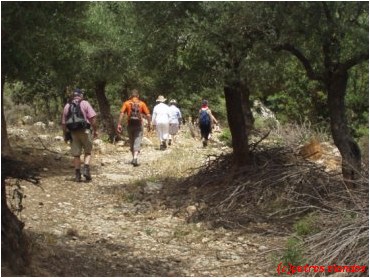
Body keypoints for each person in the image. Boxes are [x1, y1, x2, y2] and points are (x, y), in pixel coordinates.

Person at [62, 88, 98, 182]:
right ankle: (86, 169)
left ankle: (77, 175)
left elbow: (63, 123)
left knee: (76, 155)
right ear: (81, 95)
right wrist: (95, 130)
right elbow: (93, 118)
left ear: (73, 95)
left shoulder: (67, 106)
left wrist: (65, 135)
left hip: (73, 132)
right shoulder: (85, 103)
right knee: (88, 152)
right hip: (85, 130)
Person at [117, 89, 151, 166]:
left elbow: (122, 113)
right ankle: (135, 158)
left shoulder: (126, 103)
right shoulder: (142, 103)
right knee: (137, 141)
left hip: (130, 124)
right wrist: (149, 124)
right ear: (138, 96)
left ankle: (133, 158)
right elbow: (148, 115)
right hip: (139, 125)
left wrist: (119, 124)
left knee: (132, 142)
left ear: (131, 96)